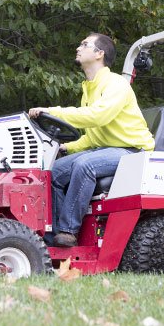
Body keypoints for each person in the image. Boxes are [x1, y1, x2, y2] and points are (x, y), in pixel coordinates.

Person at [28, 33, 155, 247]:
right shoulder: (89, 87)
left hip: (133, 151)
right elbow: (92, 137)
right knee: (53, 172)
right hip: (106, 149)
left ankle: (68, 232)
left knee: (84, 165)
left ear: (99, 54)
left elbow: (98, 116)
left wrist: (52, 111)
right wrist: (64, 147)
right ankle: (53, 235)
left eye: (85, 44)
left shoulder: (116, 84)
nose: (78, 48)